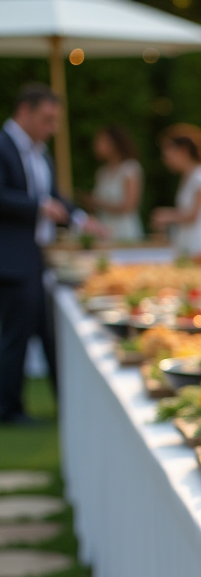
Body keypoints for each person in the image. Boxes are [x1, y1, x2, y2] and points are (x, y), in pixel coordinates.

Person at [0, 84, 103, 424]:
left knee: (47, 332)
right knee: (16, 335)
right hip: (11, 257)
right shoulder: (3, 144)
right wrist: (39, 207)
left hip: (36, 255)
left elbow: (54, 195)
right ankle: (8, 409)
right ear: (24, 112)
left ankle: (66, 403)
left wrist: (81, 219)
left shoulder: (40, 152)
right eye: (47, 119)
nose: (52, 127)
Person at [151, 124, 201, 257]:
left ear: (183, 151)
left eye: (169, 153)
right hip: (188, 242)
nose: (166, 159)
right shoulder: (190, 176)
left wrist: (167, 216)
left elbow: (193, 215)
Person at [88, 124, 143, 241]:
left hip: (124, 231)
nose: (96, 145)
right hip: (104, 230)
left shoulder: (130, 168)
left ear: (113, 144)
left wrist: (99, 203)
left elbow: (129, 205)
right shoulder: (101, 172)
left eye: (100, 141)